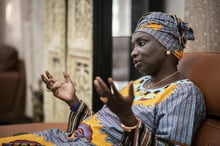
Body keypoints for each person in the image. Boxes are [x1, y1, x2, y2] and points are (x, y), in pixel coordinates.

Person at [0, 12, 206, 146]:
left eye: (142, 43)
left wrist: (129, 120)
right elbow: (102, 129)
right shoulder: (138, 84)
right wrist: (73, 103)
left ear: (167, 47)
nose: (133, 52)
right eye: (133, 46)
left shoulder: (183, 93)